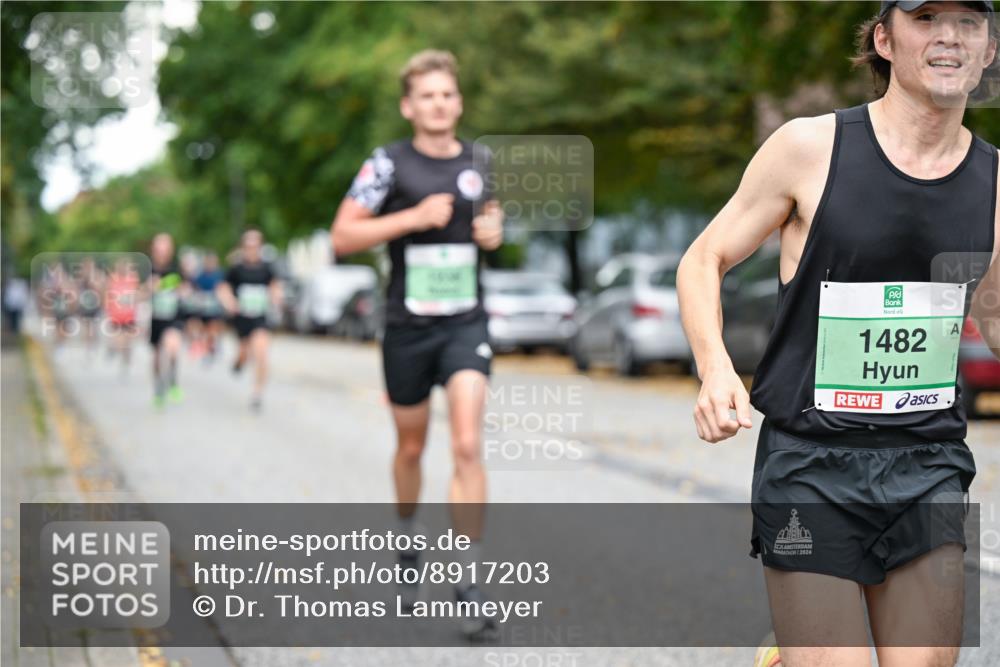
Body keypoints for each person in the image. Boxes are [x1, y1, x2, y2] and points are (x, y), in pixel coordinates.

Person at [677, 3, 998, 666]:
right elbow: (704, 258)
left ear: (989, 51)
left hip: (928, 461)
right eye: (926, 15)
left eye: (970, 21)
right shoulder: (810, 147)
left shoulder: (996, 182)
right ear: (883, 38)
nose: (948, 36)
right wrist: (714, 367)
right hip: (810, 464)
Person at [331, 49, 504, 640]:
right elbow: (343, 235)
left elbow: (492, 224)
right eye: (427, 95)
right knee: (410, 449)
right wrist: (410, 219)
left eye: (448, 94)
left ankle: (468, 579)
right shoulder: (387, 163)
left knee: (465, 443)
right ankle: (407, 543)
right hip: (407, 327)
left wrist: (493, 231)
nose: (439, 104)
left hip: (464, 324)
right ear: (409, 106)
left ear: (459, 102)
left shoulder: (480, 161)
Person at [216, 229, 281, 412]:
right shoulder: (236, 268)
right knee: (245, 352)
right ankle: (239, 361)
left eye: (255, 246)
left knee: (261, 353)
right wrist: (230, 302)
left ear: (260, 247)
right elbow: (223, 288)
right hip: (241, 318)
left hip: (260, 317)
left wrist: (276, 297)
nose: (252, 249)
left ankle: (257, 394)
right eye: (248, 246)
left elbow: (275, 286)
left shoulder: (267, 268)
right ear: (243, 248)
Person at [148, 233, 186, 407]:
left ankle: (172, 379)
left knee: (172, 348)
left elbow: (187, 289)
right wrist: (149, 288)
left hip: (173, 318)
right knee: (157, 357)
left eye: (165, 249)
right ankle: (158, 388)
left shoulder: (177, 269)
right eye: (159, 250)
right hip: (156, 319)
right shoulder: (148, 270)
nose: (162, 253)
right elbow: (139, 293)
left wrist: (182, 291)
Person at [104, 257, 141, 372]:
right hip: (116, 315)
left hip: (129, 315)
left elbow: (136, 294)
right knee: (119, 340)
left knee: (128, 340)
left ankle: (126, 359)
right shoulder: (112, 280)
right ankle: (114, 349)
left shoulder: (133, 279)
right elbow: (108, 295)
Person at [194, 252, 226, 363]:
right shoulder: (200, 276)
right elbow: (195, 288)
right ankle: (207, 349)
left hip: (215, 308)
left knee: (214, 328)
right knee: (204, 331)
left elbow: (223, 288)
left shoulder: (220, 275)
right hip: (203, 309)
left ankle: (214, 345)